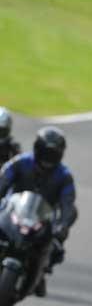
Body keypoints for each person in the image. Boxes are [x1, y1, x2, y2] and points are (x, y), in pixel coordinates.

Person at [0, 126, 78, 296]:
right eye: (45, 152)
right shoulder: (20, 162)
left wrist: (63, 224)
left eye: (53, 153)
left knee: (56, 247)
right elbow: (3, 180)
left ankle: (40, 272)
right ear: (37, 148)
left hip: (41, 220)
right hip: (13, 212)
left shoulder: (64, 176)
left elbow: (68, 204)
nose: (48, 158)